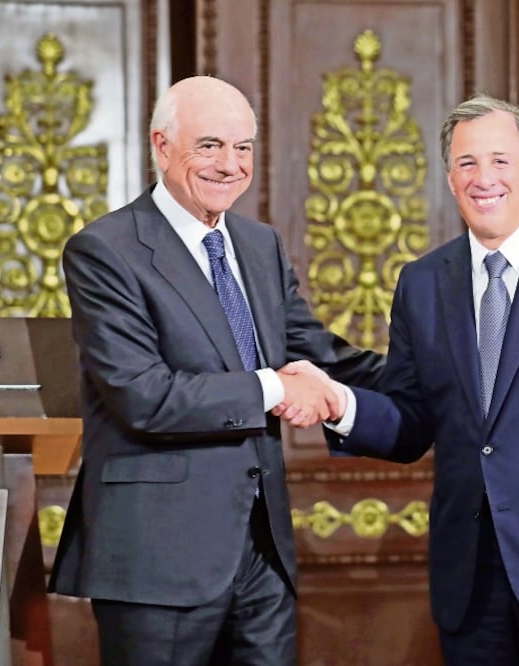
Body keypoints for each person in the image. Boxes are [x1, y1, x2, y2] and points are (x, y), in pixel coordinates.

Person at [290, 95, 519, 664]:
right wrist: (337, 403)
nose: (483, 178)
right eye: (467, 164)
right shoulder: (421, 283)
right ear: (449, 177)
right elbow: (412, 421)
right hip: (470, 584)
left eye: (500, 161)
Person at [48, 75, 384, 665]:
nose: (230, 164)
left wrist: (448, 377)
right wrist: (278, 387)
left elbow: (320, 353)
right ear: (161, 146)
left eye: (244, 147)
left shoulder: (259, 245)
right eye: (209, 145)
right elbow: (143, 395)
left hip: (263, 555)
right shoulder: (106, 250)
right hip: (159, 561)